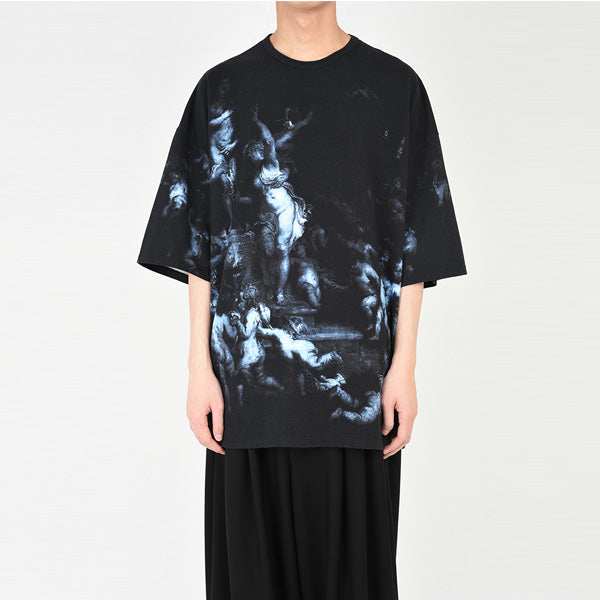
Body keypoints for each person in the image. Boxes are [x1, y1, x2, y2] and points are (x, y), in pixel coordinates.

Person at [136, 2, 467, 599]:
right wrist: (197, 367)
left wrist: (405, 368)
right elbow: (201, 242)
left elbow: (415, 242)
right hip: (247, 401)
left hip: (356, 400)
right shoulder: (221, 92)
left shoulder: (395, 89)